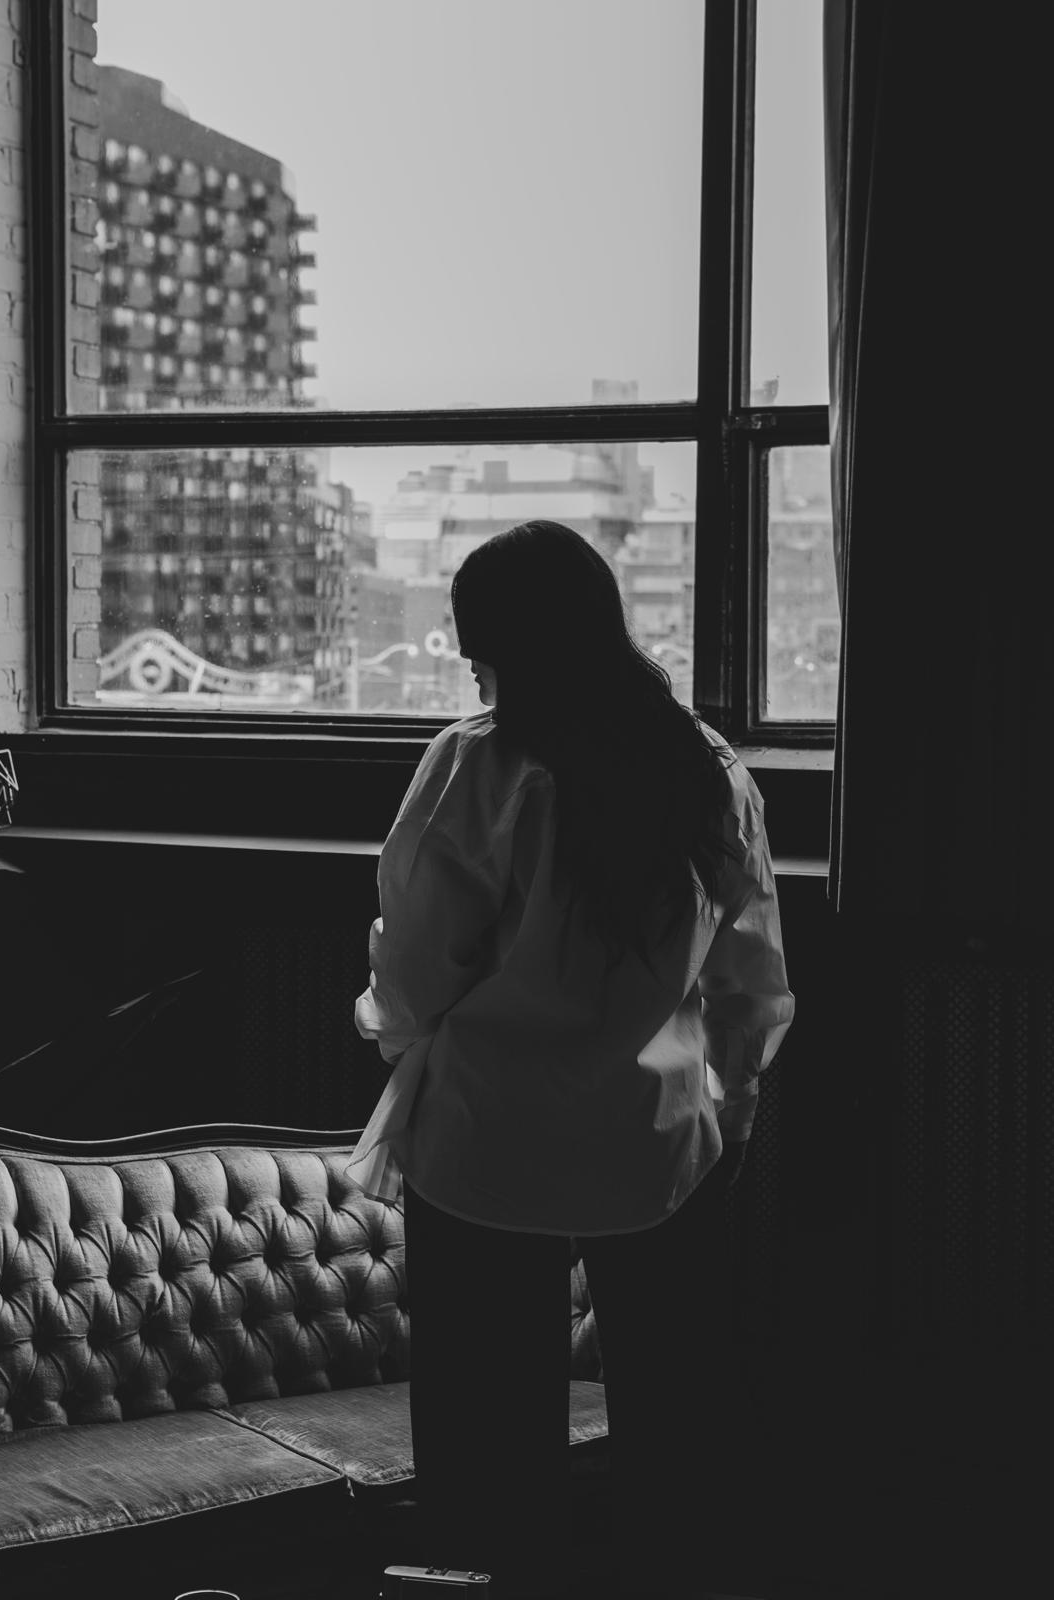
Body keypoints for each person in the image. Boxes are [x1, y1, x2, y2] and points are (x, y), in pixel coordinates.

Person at [345, 520, 794, 1600]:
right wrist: (726, 1108)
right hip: (659, 1136)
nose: (474, 671)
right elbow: (747, 979)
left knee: (483, 1455)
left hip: (484, 1137)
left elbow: (412, 966)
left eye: (477, 650)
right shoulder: (703, 770)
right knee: (679, 1439)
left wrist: (411, 1052)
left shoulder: (476, 768)